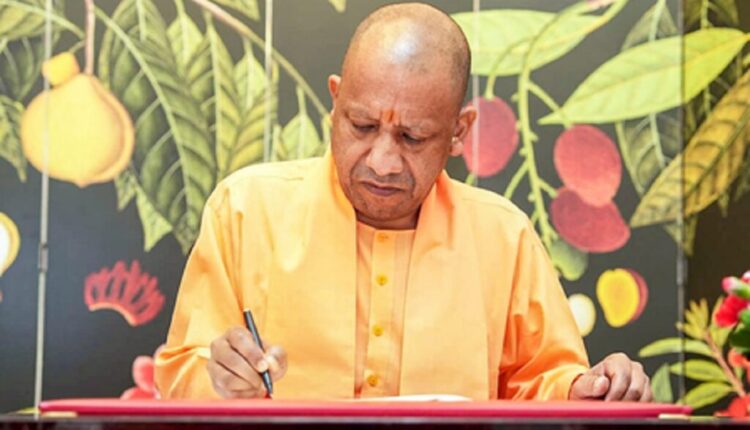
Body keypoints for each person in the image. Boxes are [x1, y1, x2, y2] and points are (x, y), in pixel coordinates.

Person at [154, 2, 652, 402]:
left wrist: (587, 389)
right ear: (335, 103)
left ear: (459, 131)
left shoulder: (503, 236)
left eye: (413, 137)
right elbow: (181, 373)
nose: (383, 162)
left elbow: (542, 383)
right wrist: (220, 378)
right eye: (362, 126)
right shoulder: (246, 210)